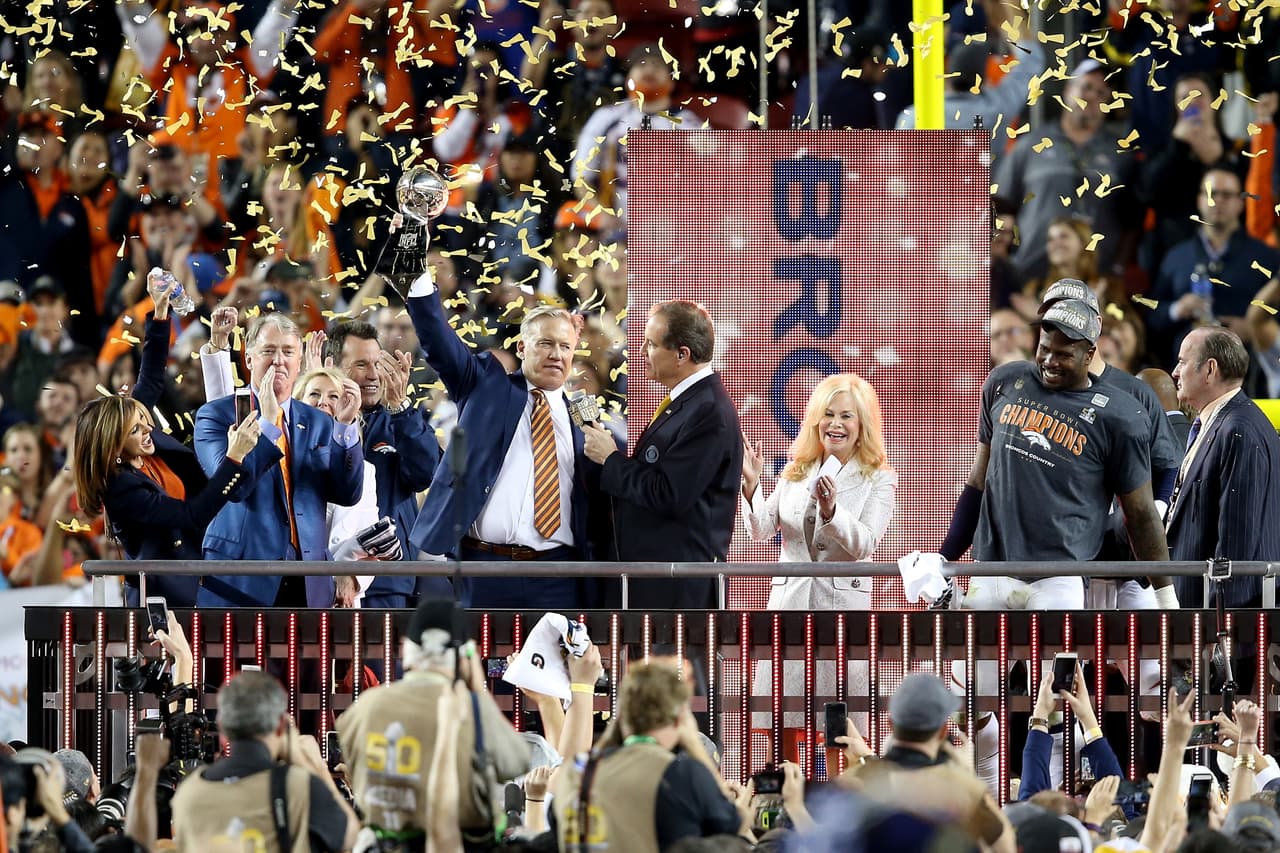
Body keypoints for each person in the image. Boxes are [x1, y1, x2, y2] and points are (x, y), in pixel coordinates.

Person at [920, 298, 1170, 610]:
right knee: (970, 660)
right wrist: (944, 556)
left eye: (1064, 354)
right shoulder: (1005, 381)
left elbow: (1142, 513)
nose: (1050, 360)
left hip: (1059, 576)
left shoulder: (1121, 414)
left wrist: (1166, 597)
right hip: (990, 567)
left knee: (1057, 661)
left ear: (1089, 354)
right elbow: (978, 482)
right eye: (1045, 348)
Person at [404, 256, 607, 610]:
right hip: (483, 570)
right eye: (545, 343)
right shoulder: (487, 384)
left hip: (558, 573)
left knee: (554, 667)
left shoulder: (584, 418)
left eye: (565, 347)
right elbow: (439, 340)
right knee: (479, 667)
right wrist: (418, 278)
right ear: (521, 348)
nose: (556, 354)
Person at [72, 274, 261, 606]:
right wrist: (233, 458)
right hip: (165, 596)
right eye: (137, 430)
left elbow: (152, 376)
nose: (149, 430)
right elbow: (192, 515)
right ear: (114, 448)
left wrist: (160, 312)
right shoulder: (123, 489)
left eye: (145, 421)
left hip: (195, 572)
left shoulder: (138, 438)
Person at [194, 313, 366, 608]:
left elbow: (347, 493)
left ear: (299, 362)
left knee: (308, 657)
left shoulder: (318, 421)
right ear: (248, 358)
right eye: (268, 351)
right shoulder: (215, 416)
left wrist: (346, 429)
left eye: (288, 352)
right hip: (241, 578)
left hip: (308, 580)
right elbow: (233, 489)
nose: (278, 361)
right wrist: (270, 424)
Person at [583, 300, 742, 610]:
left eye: (651, 344)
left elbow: (669, 494)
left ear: (682, 354)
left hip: (676, 592)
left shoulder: (708, 410)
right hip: (658, 585)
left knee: (671, 662)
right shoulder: (691, 403)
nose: (640, 351)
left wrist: (611, 460)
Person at [338, 598, 532, 848]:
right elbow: (517, 762)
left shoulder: (362, 709)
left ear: (405, 650)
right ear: (465, 656)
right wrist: (478, 692)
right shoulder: (468, 710)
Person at [551, 662, 751, 852]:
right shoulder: (682, 773)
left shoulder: (575, 771)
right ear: (681, 717)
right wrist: (693, 745)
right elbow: (733, 825)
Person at [740, 373, 896, 609]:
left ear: (863, 425)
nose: (835, 424)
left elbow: (865, 544)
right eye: (828, 414)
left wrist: (831, 511)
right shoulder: (798, 468)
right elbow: (761, 530)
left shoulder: (879, 478)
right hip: (789, 603)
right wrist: (752, 485)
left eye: (846, 416)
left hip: (842, 608)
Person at [323, 320, 445, 604]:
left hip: (386, 578)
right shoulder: (311, 421)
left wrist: (400, 408)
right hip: (318, 573)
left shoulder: (401, 421)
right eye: (361, 365)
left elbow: (426, 475)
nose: (374, 374)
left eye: (378, 363)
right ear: (334, 366)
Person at [170, 670, 358, 852]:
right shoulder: (298, 786)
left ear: (222, 729)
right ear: (281, 726)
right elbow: (350, 838)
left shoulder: (189, 794)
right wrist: (314, 765)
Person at [1168, 327, 1280, 606]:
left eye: (1182, 362)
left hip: (1224, 618)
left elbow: (1238, 536)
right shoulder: (1223, 424)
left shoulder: (1238, 429)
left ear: (1209, 370)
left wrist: (1222, 626)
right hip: (1202, 613)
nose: (1175, 372)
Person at [841, 673, 1014, 853]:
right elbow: (1005, 847)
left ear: (890, 724)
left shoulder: (856, 780)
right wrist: (968, 777)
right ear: (942, 731)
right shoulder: (961, 789)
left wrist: (865, 761)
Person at [1145, 165, 1279, 366]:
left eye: (1227, 195)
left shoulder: (1267, 257)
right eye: (1211, 193)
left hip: (1251, 370)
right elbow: (1153, 314)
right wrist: (1177, 308)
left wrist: (1255, 328)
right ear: (1199, 200)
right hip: (1187, 372)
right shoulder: (1176, 256)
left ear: (1241, 203)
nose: (1218, 201)